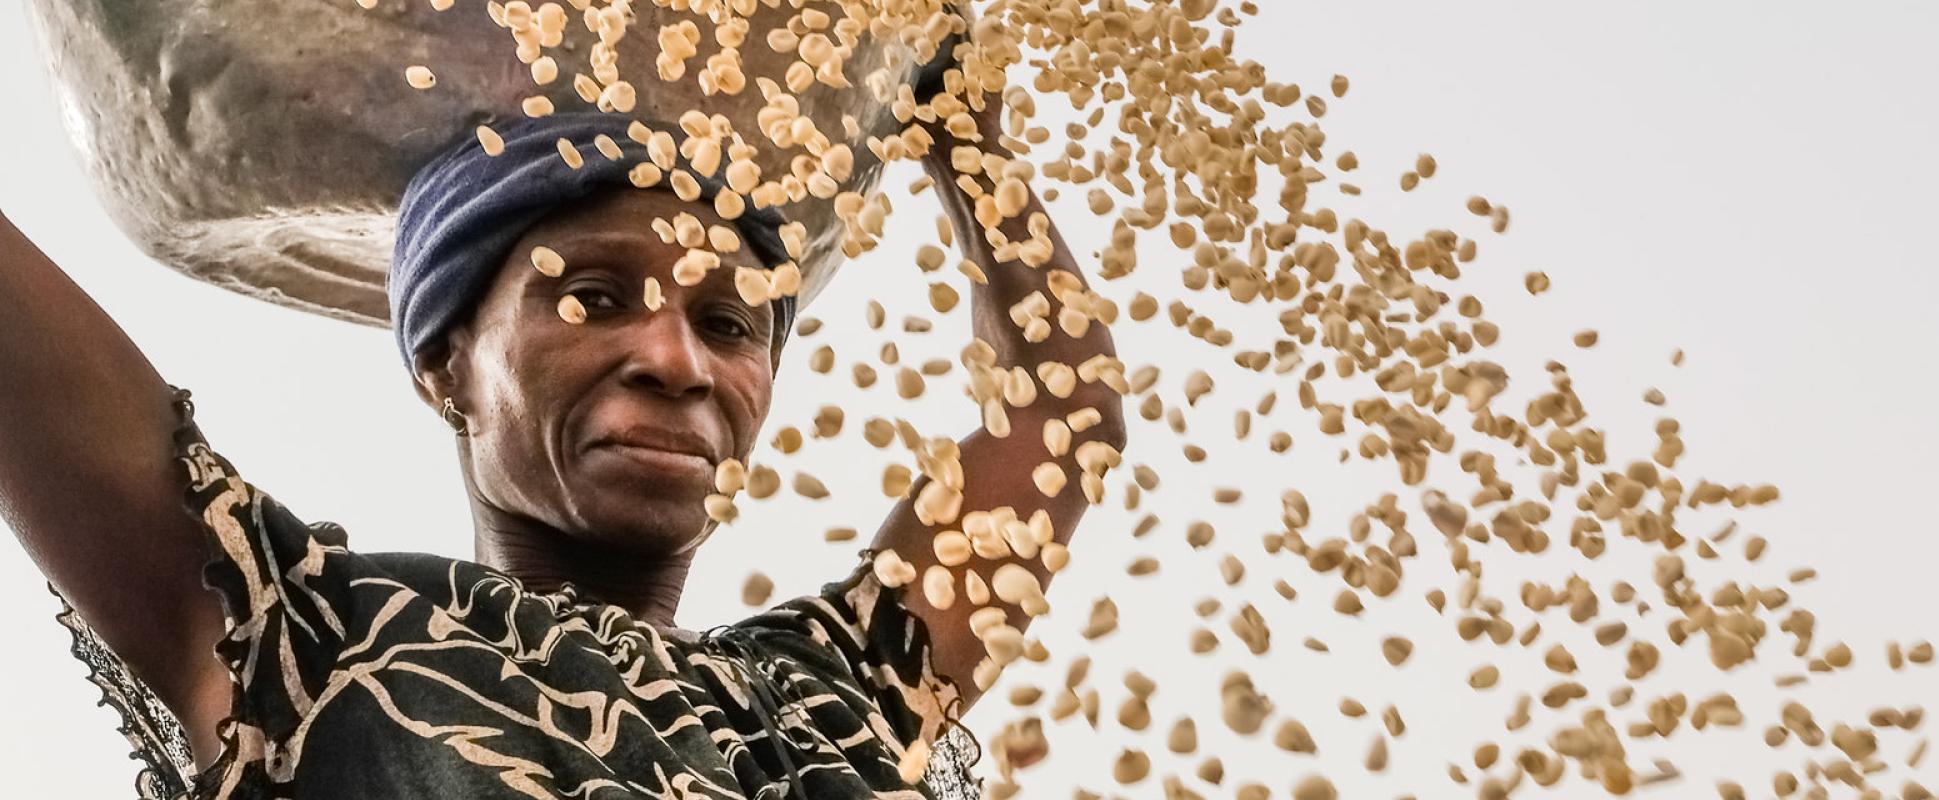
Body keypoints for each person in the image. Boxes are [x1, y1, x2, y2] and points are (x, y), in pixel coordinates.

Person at [0, 80, 1120, 798]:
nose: (676, 359)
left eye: (727, 321)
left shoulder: (835, 695)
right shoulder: (301, 634)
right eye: (592, 295)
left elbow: (1062, 412)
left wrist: (964, 139)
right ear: (446, 363)